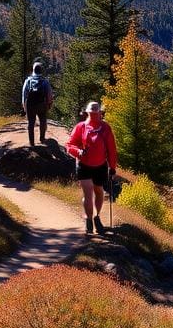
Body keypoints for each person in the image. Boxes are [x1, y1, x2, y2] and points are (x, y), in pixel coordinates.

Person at [66, 101, 118, 234]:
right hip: (84, 165)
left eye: (96, 111)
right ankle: (90, 220)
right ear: (88, 113)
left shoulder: (105, 128)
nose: (95, 114)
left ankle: (95, 217)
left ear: (100, 113)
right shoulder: (81, 127)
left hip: (100, 165)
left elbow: (111, 149)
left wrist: (112, 167)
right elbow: (70, 145)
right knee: (88, 194)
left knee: (99, 192)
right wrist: (78, 152)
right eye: (93, 111)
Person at [21, 61, 54, 147]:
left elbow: (24, 94)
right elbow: (49, 94)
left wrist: (24, 105)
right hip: (42, 104)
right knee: (43, 121)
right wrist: (49, 104)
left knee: (31, 123)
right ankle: (42, 139)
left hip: (30, 105)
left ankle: (32, 143)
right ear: (41, 70)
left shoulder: (28, 80)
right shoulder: (45, 81)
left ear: (33, 70)